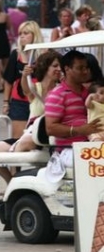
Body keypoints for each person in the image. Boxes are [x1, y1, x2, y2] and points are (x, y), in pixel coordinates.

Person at [0, 50, 62, 184]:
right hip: (30, 134)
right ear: (46, 67)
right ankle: (12, 183)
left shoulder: (61, 90)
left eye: (60, 66)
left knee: (27, 141)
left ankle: (15, 176)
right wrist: (25, 75)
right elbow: (26, 89)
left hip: (46, 137)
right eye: (55, 66)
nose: (59, 69)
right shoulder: (34, 88)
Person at [45, 50, 102, 182]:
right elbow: (50, 128)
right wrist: (80, 130)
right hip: (69, 150)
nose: (85, 71)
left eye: (86, 67)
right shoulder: (57, 94)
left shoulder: (89, 93)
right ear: (67, 69)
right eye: (80, 68)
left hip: (92, 145)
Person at [2, 21, 43, 138]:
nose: (22, 36)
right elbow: (8, 80)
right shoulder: (16, 54)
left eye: (26, 33)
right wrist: (5, 103)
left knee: (36, 136)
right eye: (20, 34)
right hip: (19, 100)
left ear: (35, 35)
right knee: (17, 137)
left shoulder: (44, 55)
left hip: (38, 99)